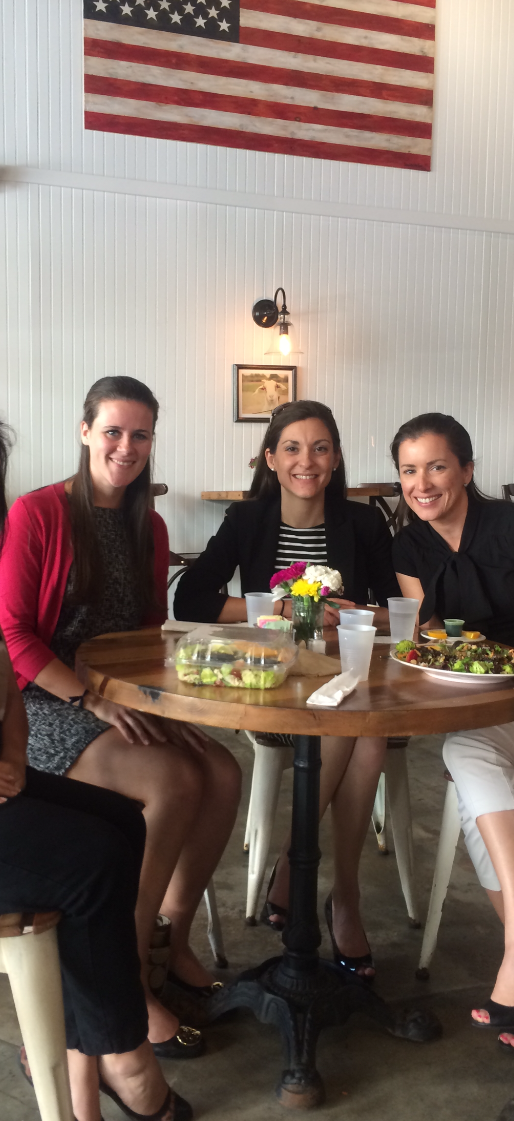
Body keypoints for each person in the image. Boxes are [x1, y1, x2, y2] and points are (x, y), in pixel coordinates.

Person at [0, 387, 191, 1121]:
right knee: (88, 860)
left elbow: (6, 690)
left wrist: (16, 759)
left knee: (121, 823)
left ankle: (90, 1058)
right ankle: (125, 1061)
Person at [0, 375, 241, 1054]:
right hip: (42, 699)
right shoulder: (37, 512)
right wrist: (89, 698)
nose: (125, 447)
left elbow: (148, 631)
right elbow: (14, 634)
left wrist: (162, 702)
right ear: (85, 432)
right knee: (173, 781)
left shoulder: (149, 525)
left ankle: (172, 941)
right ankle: (125, 974)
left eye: (140, 435)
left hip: (118, 695)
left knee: (222, 772)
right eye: (112, 431)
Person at [175, 399, 401, 978]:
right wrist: (277, 608)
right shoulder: (248, 520)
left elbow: (396, 609)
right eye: (293, 448)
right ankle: (333, 894)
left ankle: (323, 884)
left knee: (366, 733)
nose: (308, 461)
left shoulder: (363, 523)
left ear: (337, 458)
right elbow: (191, 598)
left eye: (321, 448)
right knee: (362, 731)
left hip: (349, 676)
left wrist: (351, 612)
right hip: (272, 680)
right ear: (271, 458)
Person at [391, 411, 514, 1050]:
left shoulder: (509, 526)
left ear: (467, 469)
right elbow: (429, 635)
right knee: (466, 752)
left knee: (469, 776)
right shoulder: (410, 546)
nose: (422, 484)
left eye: (437, 466)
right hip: (481, 707)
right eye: (409, 470)